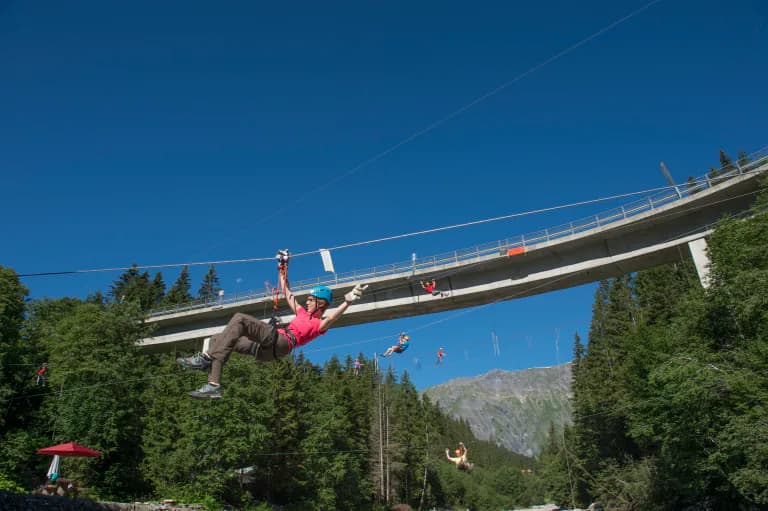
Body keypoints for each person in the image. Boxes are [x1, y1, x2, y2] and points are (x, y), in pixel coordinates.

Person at [177, 253, 368, 399]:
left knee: (239, 319)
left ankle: (205, 359)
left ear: (321, 303)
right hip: (267, 351)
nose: (307, 302)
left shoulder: (319, 324)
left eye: (311, 300)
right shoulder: (301, 312)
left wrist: (348, 301)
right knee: (219, 340)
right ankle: (214, 384)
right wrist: (283, 267)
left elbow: (333, 317)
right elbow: (286, 291)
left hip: (283, 342)